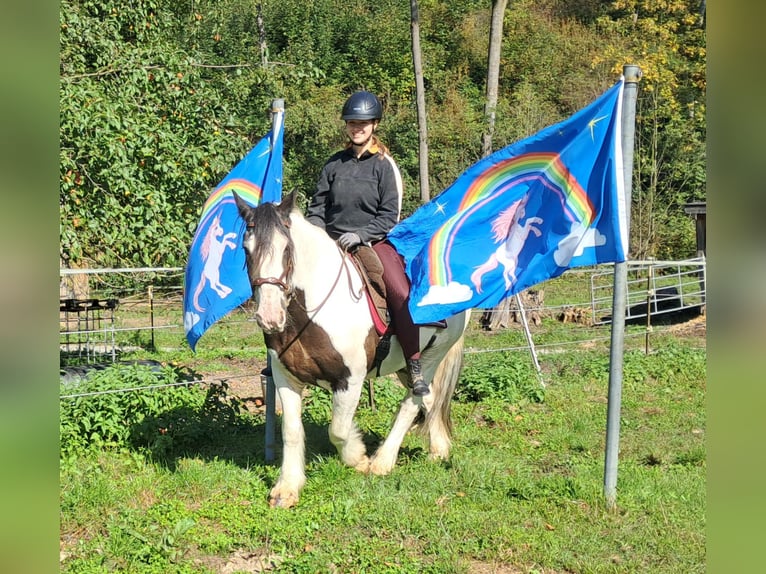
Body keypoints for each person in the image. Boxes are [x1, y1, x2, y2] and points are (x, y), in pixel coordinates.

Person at [305, 90, 430, 396]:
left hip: (372, 242)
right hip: (330, 241)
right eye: (351, 122)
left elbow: (389, 214)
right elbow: (316, 207)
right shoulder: (334, 164)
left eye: (362, 122)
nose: (356, 127)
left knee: (400, 291)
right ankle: (285, 356)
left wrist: (361, 235)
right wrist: (320, 238)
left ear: (374, 124)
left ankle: (413, 363)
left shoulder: (384, 166)